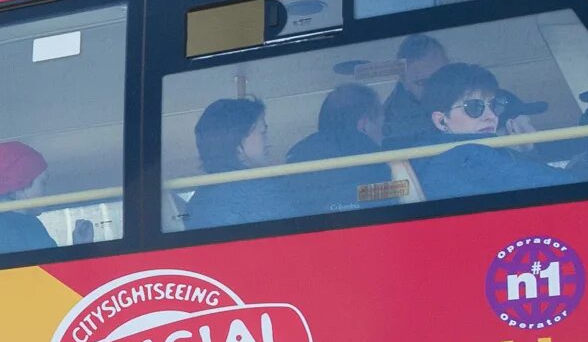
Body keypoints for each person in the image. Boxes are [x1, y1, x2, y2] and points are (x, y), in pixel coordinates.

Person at [413, 62, 588, 202]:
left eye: (494, 105)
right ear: (441, 121)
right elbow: (576, 189)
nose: (490, 115)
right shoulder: (469, 155)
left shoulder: (447, 157)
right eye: (474, 107)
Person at [182, 97, 303, 229]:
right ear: (238, 146)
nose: (268, 142)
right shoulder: (266, 192)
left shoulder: (197, 203)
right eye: (263, 133)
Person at [283, 83, 390, 214]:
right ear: (364, 125)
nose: (383, 134)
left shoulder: (296, 158)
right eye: (381, 125)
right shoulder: (375, 165)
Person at [380, 33, 450, 150]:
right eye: (422, 83)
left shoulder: (473, 98)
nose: (432, 88)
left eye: (439, 77)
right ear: (404, 82)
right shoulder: (391, 121)